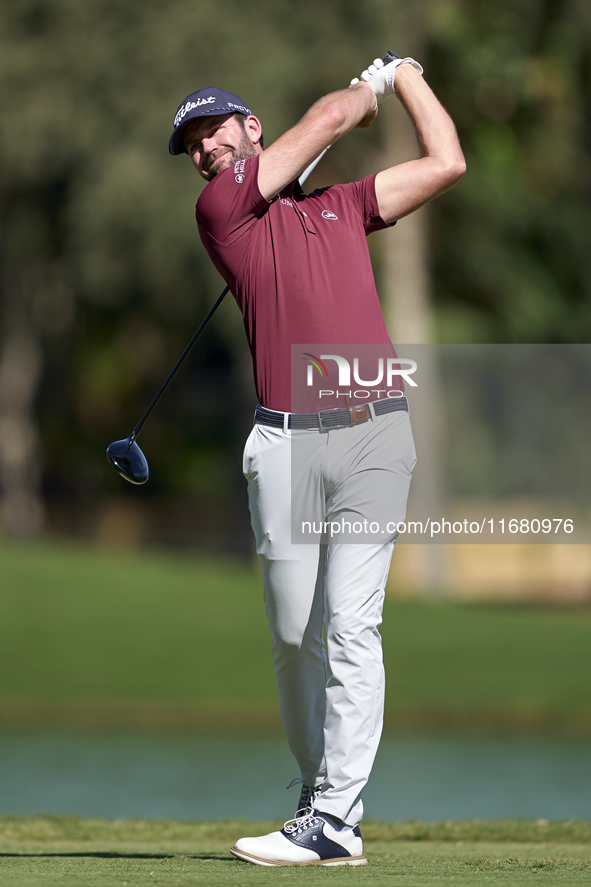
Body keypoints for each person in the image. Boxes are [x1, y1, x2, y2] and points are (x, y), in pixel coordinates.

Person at [169, 54, 465, 867]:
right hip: (284, 442)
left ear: (250, 127)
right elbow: (331, 121)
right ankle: (316, 792)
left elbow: (447, 163)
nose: (203, 148)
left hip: (374, 431)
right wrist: (363, 93)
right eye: (191, 143)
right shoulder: (220, 209)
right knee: (294, 634)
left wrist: (405, 77)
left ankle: (336, 817)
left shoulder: (344, 206)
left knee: (349, 621)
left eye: (213, 130)